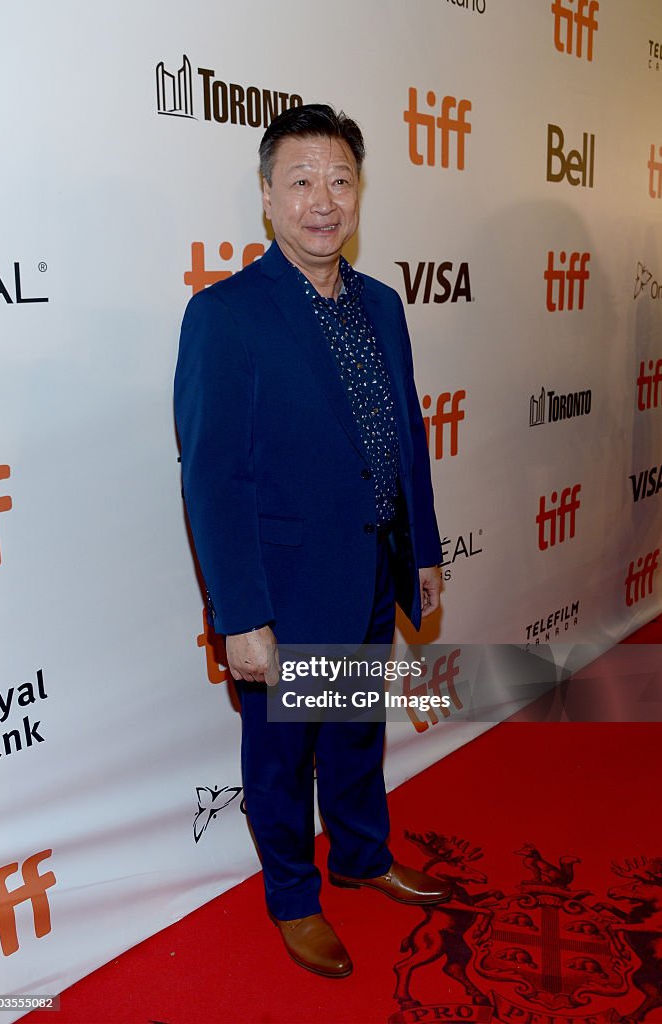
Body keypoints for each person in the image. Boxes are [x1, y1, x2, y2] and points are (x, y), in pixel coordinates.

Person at [174, 104, 450, 979]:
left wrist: (425, 549)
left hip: (373, 565)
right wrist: (241, 612)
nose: (322, 201)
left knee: (357, 728)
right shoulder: (228, 315)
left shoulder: (381, 304)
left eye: (339, 180)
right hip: (285, 585)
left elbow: (405, 433)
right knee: (284, 754)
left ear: (359, 193)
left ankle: (364, 855)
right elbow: (212, 476)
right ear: (266, 196)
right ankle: (294, 896)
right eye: (300, 181)